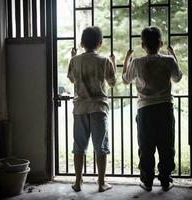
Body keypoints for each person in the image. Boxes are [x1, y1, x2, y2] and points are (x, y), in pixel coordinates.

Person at [122, 26, 182, 192]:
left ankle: (147, 181)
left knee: (146, 146)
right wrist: (173, 54)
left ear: (142, 45)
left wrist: (127, 58)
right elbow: (178, 77)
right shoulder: (168, 61)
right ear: (161, 43)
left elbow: (125, 79)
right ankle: (165, 180)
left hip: (145, 110)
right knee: (166, 145)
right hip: (165, 108)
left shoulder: (137, 62)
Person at [67, 26, 116, 192]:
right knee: (100, 147)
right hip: (98, 109)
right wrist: (114, 64)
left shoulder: (75, 61)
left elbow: (73, 79)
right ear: (100, 43)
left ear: (81, 43)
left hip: (80, 108)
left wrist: (73, 57)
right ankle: (101, 183)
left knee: (79, 146)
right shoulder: (104, 61)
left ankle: (78, 181)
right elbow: (112, 82)